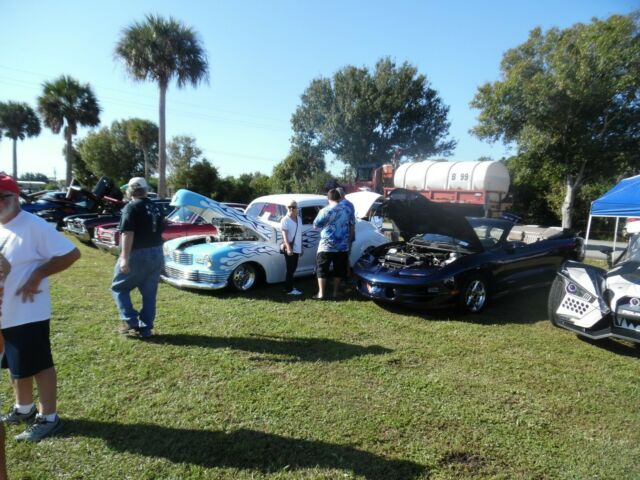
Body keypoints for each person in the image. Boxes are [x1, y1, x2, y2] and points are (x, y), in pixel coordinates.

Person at [0, 174, 80, 443]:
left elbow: (71, 254)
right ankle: (24, 408)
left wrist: (37, 275)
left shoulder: (33, 225)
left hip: (28, 311)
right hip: (6, 312)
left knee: (39, 364)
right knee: (15, 364)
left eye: (4, 197)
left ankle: (49, 418)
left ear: (16, 197)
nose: (0, 202)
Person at [111, 177, 164, 339]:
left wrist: (124, 258)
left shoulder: (131, 207)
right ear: (146, 190)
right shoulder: (156, 207)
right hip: (157, 252)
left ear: (130, 190)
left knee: (119, 287)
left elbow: (127, 233)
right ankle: (146, 328)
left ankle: (131, 321)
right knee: (149, 293)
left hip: (137, 253)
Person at [312, 189, 355, 299]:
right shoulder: (347, 210)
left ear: (328, 198)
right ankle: (335, 292)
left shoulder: (324, 211)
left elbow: (315, 226)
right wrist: (348, 240)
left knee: (322, 269)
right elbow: (352, 226)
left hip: (326, 245)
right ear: (339, 198)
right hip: (342, 246)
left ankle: (321, 293)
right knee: (339, 270)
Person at [280, 200, 303, 295]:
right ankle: (289, 289)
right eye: (289, 207)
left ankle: (289, 287)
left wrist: (301, 247)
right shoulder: (285, 220)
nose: (291, 209)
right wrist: (288, 248)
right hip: (289, 247)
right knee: (290, 268)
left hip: (297, 248)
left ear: (297, 208)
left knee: (293, 268)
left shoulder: (299, 219)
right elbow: (284, 236)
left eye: (293, 207)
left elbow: (300, 234)